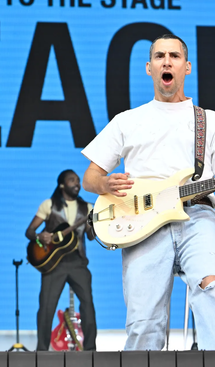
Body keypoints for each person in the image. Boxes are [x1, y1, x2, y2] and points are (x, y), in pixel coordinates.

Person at [82, 34, 215, 350]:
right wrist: (105, 184)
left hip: (197, 215)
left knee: (212, 292)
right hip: (141, 222)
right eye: (159, 56)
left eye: (174, 56)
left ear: (187, 67)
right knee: (144, 324)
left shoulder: (209, 121)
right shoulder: (128, 121)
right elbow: (90, 177)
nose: (167, 61)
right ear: (149, 67)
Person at [26, 169, 97, 351]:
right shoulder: (49, 205)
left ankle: (90, 350)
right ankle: (42, 351)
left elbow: (90, 237)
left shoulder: (88, 208)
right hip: (53, 263)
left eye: (78, 180)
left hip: (77, 262)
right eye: (72, 180)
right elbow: (29, 231)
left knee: (87, 304)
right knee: (46, 307)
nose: (77, 183)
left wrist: (95, 224)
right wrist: (40, 236)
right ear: (62, 185)